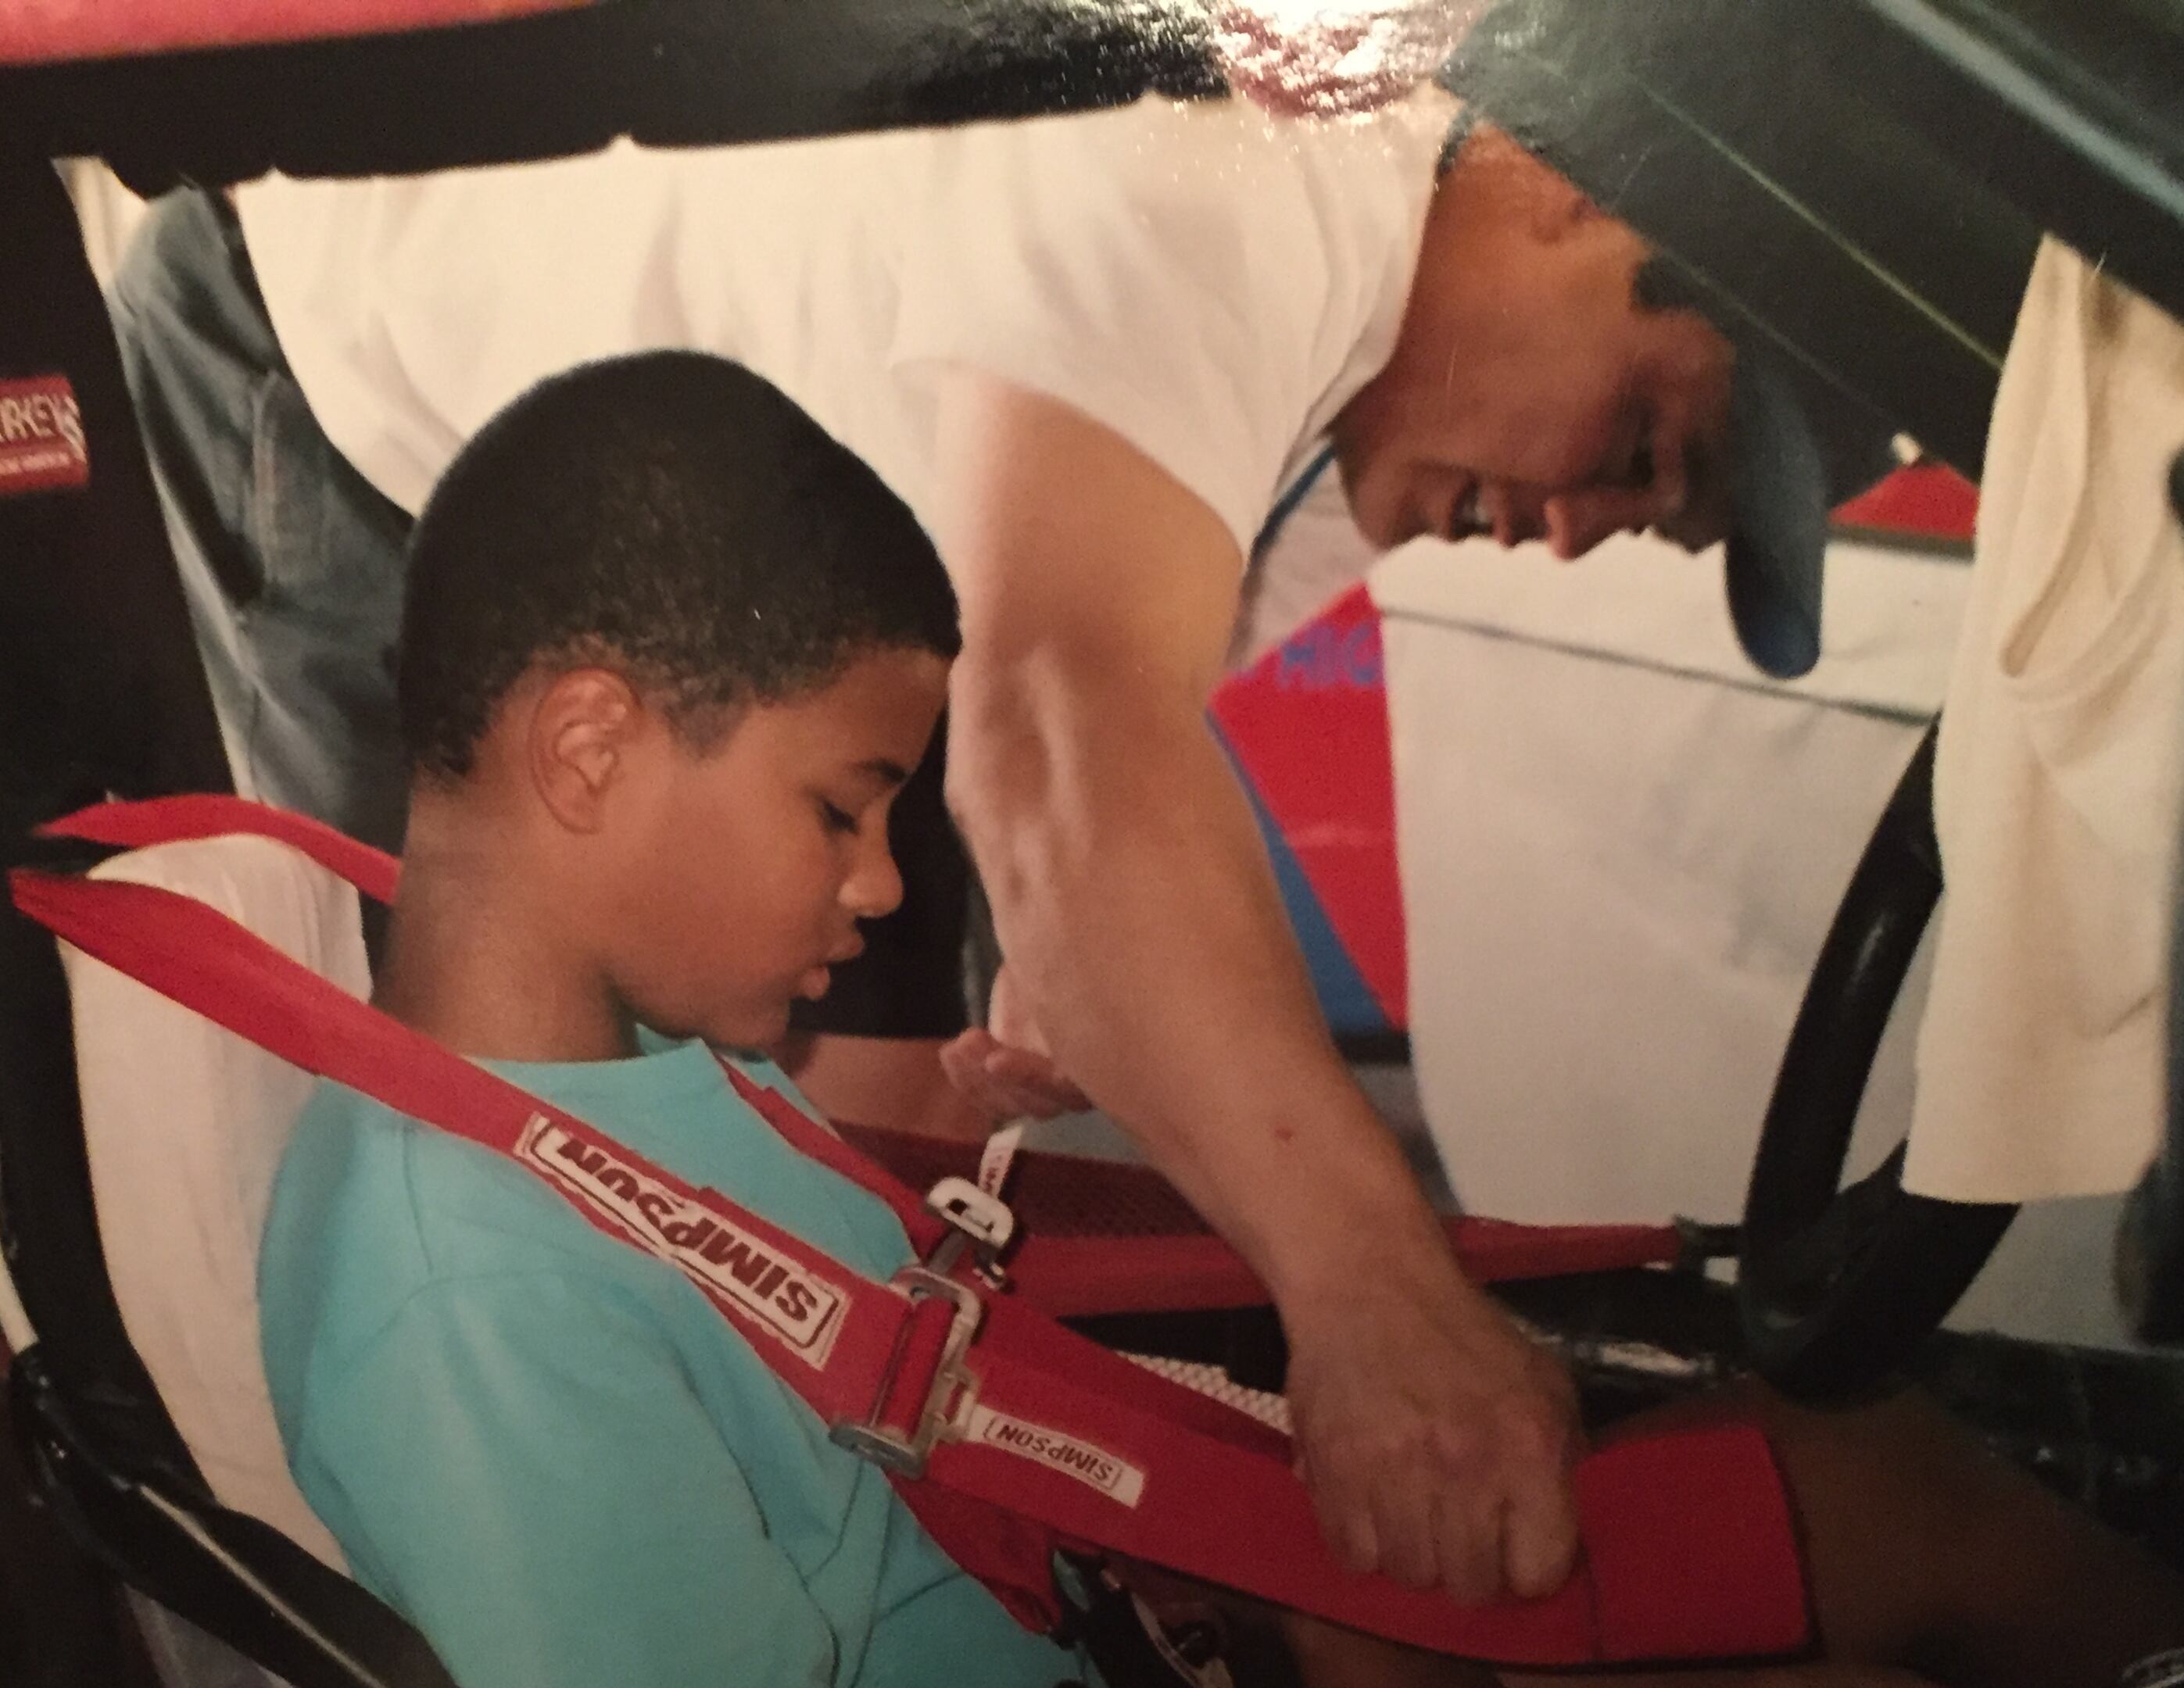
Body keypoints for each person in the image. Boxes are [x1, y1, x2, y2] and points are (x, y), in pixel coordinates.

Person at [256, 351, 2184, 1688]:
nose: (883, 893)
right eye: (841, 811)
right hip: (1139, 1626)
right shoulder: (463, 1300)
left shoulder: (643, 1073)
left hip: (1155, 1590)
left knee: (1861, 1477)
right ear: (589, 749)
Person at [126, 81, 1759, 1609]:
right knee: (471, 1172)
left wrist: (1090, 950)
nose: (1579, 533)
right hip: (357, 352)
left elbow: (1085, 757)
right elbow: (1059, 738)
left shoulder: (1363, 390)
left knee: (865, 1177)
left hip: (803, 530)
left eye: (1650, 528)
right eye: (1639, 448)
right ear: (1561, 196)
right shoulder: (1262, 174)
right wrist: (1379, 1309)